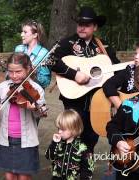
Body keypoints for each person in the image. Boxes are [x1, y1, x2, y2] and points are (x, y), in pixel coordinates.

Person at [51, 6, 120, 153]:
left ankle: (85, 169)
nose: (82, 28)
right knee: (70, 133)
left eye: (86, 25)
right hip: (73, 98)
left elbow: (116, 68)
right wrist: (74, 75)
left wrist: (133, 66)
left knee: (91, 136)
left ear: (95, 27)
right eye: (79, 24)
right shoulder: (66, 43)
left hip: (97, 99)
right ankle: (67, 167)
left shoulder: (104, 47)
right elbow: (51, 61)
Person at [0, 52, 46, 180]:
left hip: (26, 142)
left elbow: (42, 112)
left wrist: (34, 108)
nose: (14, 76)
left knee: (23, 177)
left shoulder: (36, 89)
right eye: (11, 72)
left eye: (18, 72)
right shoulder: (3, 87)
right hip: (6, 140)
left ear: (28, 69)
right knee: (9, 176)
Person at [45, 109, 94, 180]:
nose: (59, 131)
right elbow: (49, 156)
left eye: (63, 129)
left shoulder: (83, 148)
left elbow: (87, 169)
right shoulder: (57, 143)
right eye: (58, 128)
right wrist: (54, 143)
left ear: (74, 129)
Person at [14, 20, 51, 89]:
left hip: (34, 92)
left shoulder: (43, 53)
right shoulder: (18, 49)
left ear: (35, 35)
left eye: (25, 32)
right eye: (22, 32)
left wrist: (35, 74)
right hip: (16, 89)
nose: (21, 34)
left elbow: (46, 82)